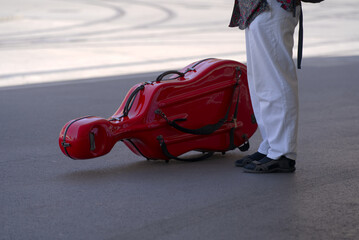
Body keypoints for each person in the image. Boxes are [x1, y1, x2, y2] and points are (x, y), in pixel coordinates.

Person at [229, 0, 301, 173]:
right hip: (256, 9)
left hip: (272, 6)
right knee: (260, 84)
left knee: (275, 82)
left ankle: (283, 153)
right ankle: (271, 145)